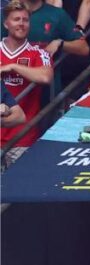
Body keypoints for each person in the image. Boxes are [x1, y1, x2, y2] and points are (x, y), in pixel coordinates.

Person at [0, 1, 52, 157]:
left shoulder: (38, 52)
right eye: (16, 19)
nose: (21, 24)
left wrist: (13, 67)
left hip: (23, 139)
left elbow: (45, 76)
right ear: (6, 24)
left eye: (25, 20)